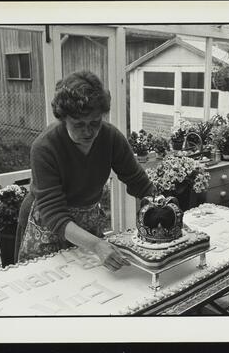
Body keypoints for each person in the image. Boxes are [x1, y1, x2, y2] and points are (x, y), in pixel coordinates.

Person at [16, 71, 155, 271]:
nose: (88, 132)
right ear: (63, 118)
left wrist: (160, 205)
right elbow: (55, 215)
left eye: (95, 123)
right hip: (47, 223)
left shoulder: (110, 138)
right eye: (78, 125)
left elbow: (138, 181)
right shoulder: (45, 147)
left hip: (87, 218)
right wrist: (97, 244)